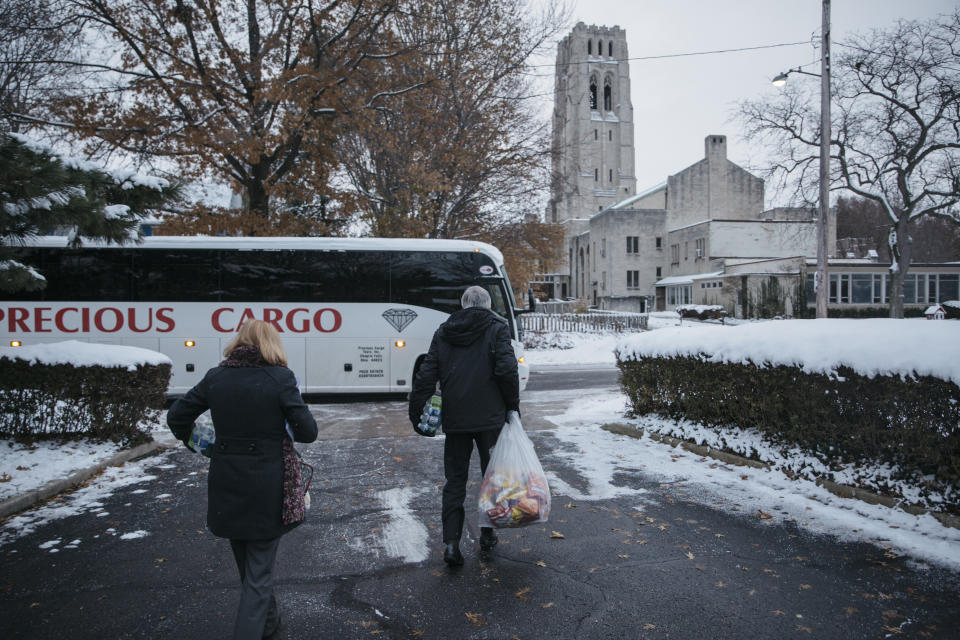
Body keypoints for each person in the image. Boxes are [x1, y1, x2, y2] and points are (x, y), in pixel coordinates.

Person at [167, 319, 318, 640]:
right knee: (259, 573)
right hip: (269, 485)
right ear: (272, 344)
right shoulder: (281, 378)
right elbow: (308, 432)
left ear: (239, 342)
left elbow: (177, 416)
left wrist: (199, 442)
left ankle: (270, 629)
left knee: (251, 571)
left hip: (227, 480)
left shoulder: (216, 376)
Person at [409, 285, 520, 566]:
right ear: (487, 304)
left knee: (455, 481)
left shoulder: (445, 330)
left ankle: (450, 544)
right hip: (490, 419)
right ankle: (487, 535)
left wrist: (416, 412)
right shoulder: (497, 327)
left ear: (462, 304)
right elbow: (507, 370)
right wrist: (512, 408)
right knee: (491, 477)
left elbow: (426, 374)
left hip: (456, 418)